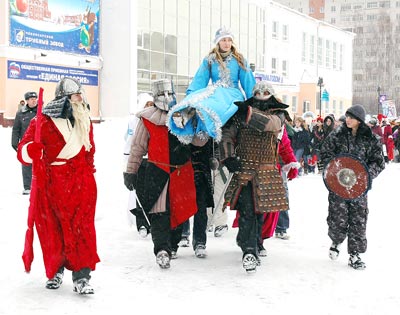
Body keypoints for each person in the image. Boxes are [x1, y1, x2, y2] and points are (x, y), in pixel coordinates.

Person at [17, 77, 100, 294]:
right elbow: (23, 150)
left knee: (82, 231)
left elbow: (90, 151)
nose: (80, 100)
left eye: (81, 96)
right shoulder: (41, 122)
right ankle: (56, 271)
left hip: (81, 184)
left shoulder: (84, 119)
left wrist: (88, 174)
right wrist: (30, 151)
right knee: (54, 231)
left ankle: (82, 276)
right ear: (64, 99)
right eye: (75, 96)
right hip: (53, 185)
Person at [124, 79, 207, 269]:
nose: (167, 98)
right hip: (157, 170)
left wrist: (202, 123)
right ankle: (162, 249)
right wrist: (131, 171)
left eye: (170, 94)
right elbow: (137, 147)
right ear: (155, 97)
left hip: (181, 172)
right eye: (162, 95)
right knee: (159, 213)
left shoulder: (184, 116)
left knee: (180, 212)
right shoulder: (147, 119)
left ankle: (173, 245)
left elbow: (199, 142)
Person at [220, 89, 287, 273]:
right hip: (245, 169)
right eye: (258, 91)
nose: (261, 93)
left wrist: (248, 113)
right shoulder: (240, 112)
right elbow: (227, 134)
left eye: (265, 91)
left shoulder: (278, 113)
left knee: (260, 213)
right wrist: (228, 156)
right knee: (247, 210)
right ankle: (249, 251)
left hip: (266, 170)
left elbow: (271, 124)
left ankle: (254, 243)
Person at [320, 104, 385, 270]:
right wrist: (334, 169)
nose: (347, 120)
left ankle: (355, 255)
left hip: (358, 188)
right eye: (347, 116)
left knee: (358, 220)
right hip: (339, 186)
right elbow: (326, 153)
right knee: (337, 217)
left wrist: (365, 175)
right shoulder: (337, 135)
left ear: (360, 120)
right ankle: (336, 240)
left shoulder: (370, 139)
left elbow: (378, 162)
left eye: (352, 117)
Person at [167, 26, 256, 144]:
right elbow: (200, 79)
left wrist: (253, 99)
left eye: (229, 40)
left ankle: (207, 123)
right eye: (224, 40)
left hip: (233, 93)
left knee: (215, 105)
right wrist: (191, 95)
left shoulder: (239, 59)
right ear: (218, 42)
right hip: (216, 91)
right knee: (200, 99)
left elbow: (248, 81)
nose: (227, 43)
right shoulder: (210, 60)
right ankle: (185, 115)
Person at [123, 93, 153, 237]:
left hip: (153, 160)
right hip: (139, 160)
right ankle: (141, 223)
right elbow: (129, 141)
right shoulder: (134, 121)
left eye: (151, 104)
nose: (149, 107)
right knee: (139, 193)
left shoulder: (155, 119)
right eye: (147, 104)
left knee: (152, 193)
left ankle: (152, 221)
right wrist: (127, 160)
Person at [12, 91, 38, 195]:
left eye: (35, 98)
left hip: (39, 143)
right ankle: (28, 187)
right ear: (27, 100)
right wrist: (15, 143)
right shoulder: (20, 113)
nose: (34, 100)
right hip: (26, 143)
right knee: (26, 164)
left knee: (40, 165)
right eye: (31, 99)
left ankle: (39, 186)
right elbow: (16, 129)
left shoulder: (42, 111)